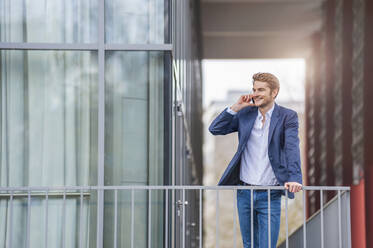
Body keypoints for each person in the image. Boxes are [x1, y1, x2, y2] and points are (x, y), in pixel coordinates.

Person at [208, 72, 303, 248]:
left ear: (274, 92)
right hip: (244, 192)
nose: (255, 93)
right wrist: (236, 107)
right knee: (249, 244)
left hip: (270, 193)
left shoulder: (287, 116)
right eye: (254, 89)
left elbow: (292, 148)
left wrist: (295, 177)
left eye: (261, 89)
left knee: (266, 245)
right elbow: (215, 128)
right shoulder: (245, 114)